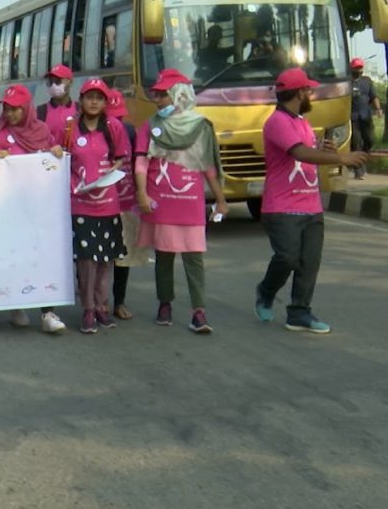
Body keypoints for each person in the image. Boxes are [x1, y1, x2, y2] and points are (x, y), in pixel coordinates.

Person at [254, 68, 368, 334]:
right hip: (282, 207)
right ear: (298, 93)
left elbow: (309, 153)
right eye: (308, 90)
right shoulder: (277, 121)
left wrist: (327, 152)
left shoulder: (302, 122)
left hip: (310, 205)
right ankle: (266, 290)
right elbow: (300, 153)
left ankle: (299, 313)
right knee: (287, 258)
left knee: (309, 262)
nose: (311, 94)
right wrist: (341, 158)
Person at [135, 70, 227, 334]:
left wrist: (220, 199)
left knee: (194, 258)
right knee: (163, 256)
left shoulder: (200, 126)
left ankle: (199, 312)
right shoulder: (150, 125)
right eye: (155, 94)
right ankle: (164, 304)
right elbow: (141, 162)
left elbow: (208, 167)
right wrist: (142, 193)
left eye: (162, 95)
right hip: (160, 201)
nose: (157, 100)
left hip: (190, 204)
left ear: (180, 95)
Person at [0, 84, 67, 333]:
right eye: (6, 109)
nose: (10, 114)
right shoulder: (0, 136)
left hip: (40, 206)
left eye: (15, 109)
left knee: (43, 257)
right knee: (17, 257)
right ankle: (17, 305)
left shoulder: (42, 130)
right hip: (12, 209)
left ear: (26, 109)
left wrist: (55, 152)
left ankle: (47, 312)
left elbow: (52, 159)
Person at [69, 79, 129, 335]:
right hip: (80, 204)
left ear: (105, 102)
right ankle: (88, 309)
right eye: (89, 97)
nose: (94, 102)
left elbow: (122, 158)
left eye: (99, 98)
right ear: (81, 100)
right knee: (86, 261)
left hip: (108, 205)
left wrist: (115, 167)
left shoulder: (114, 127)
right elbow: (60, 160)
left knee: (106, 259)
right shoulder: (70, 128)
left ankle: (103, 306)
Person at [107, 89, 148, 321]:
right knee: (98, 257)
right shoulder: (92, 132)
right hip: (100, 201)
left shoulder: (131, 131)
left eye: (119, 116)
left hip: (126, 202)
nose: (116, 121)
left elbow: (139, 163)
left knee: (124, 255)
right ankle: (96, 300)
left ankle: (119, 300)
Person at [349, 57, 381, 180]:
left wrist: (378, 109)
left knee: (369, 140)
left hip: (366, 117)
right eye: (356, 68)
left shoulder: (367, 81)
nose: (358, 70)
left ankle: (360, 162)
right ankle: (359, 171)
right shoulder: (347, 83)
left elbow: (374, 96)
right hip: (353, 118)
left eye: (360, 67)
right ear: (351, 69)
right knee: (356, 143)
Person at [37, 64, 78, 145]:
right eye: (50, 82)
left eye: (58, 81)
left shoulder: (79, 109)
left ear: (70, 82)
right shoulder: (41, 111)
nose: (54, 86)